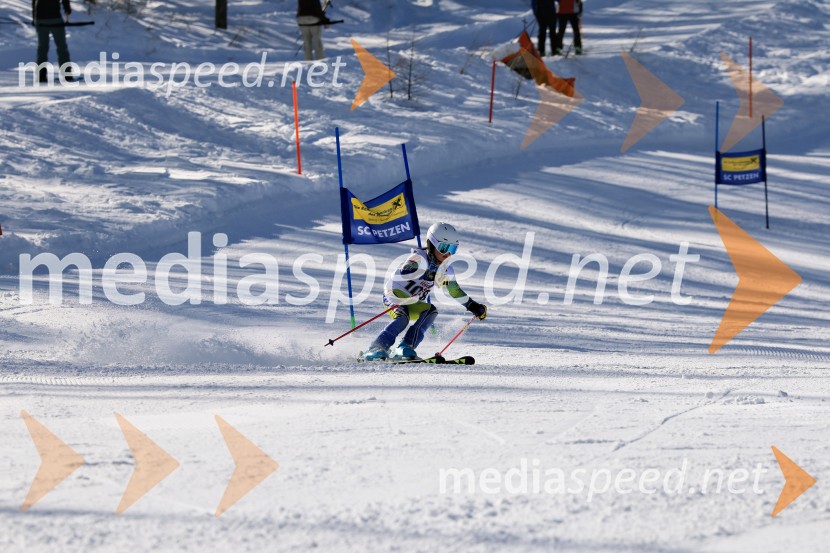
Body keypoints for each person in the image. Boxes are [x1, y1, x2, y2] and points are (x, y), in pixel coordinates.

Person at [362, 222, 488, 361]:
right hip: (395, 295)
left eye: (452, 248)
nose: (448, 254)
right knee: (403, 318)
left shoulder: (446, 270)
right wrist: (424, 273)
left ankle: (405, 346)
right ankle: (377, 347)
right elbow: (405, 271)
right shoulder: (419, 258)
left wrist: (473, 306)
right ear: (431, 245)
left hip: (413, 301)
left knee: (431, 311)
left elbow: (455, 291)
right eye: (444, 247)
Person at [32, 0, 74, 83]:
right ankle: (67, 74)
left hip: (40, 18)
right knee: (61, 46)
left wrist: (34, 17)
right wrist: (67, 9)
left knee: (42, 47)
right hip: (55, 18)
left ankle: (41, 74)